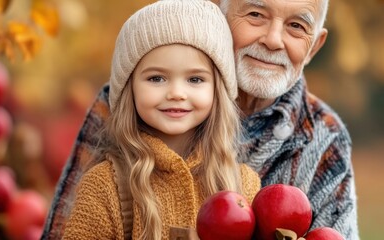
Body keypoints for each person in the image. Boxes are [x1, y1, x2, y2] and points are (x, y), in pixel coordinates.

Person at [42, 0, 359, 239]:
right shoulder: (124, 102)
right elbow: (65, 227)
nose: (274, 40)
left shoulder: (323, 136)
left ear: (314, 45)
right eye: (255, 14)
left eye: (296, 26)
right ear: (219, 12)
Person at [59, 0, 260, 239]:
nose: (176, 92)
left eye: (195, 79)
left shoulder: (242, 185)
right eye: (156, 78)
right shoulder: (105, 187)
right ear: (128, 88)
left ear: (218, 91)